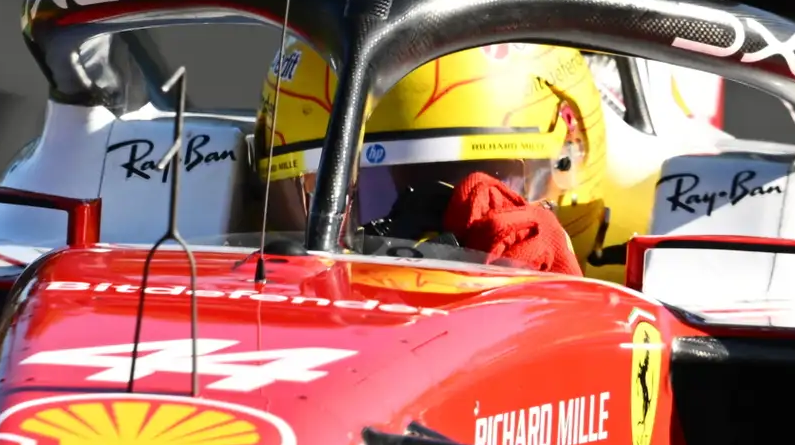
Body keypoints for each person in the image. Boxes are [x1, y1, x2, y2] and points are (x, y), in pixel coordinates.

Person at [251, 38, 659, 274]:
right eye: (371, 198)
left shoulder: (657, 285)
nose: (422, 241)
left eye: (488, 189)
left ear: (569, 160)